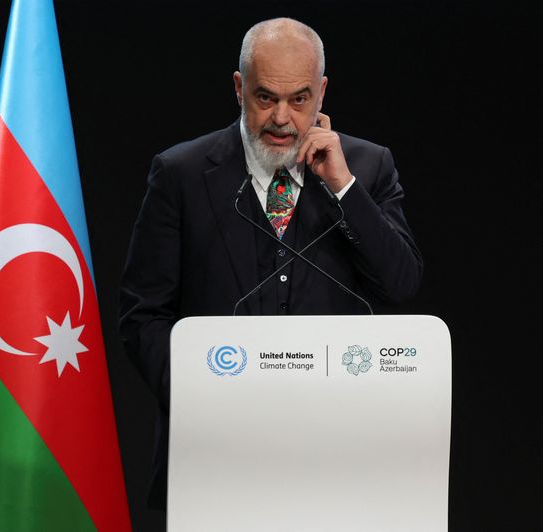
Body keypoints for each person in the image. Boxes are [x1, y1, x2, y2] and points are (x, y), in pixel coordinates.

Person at [118, 17, 422, 511]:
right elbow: (142, 315)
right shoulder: (182, 174)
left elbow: (401, 282)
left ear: (322, 92)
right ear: (239, 88)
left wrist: (344, 188)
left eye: (299, 99)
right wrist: (206, 401)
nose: (282, 118)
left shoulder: (367, 169)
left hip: (336, 465)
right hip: (213, 464)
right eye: (266, 98)